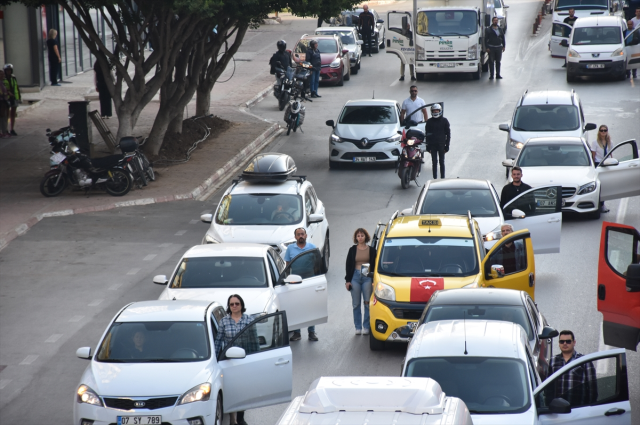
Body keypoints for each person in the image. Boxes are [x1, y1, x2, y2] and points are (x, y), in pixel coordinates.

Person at [214, 294, 259, 425]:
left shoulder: (248, 320)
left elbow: (254, 340)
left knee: (242, 389)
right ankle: (233, 418)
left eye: (236, 304)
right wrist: (216, 360)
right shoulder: (224, 321)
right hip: (229, 361)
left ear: (241, 305)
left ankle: (240, 417)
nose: (234, 306)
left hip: (244, 360)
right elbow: (218, 341)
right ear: (229, 306)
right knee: (232, 389)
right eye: (231, 304)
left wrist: (256, 358)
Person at [285, 228, 319, 341]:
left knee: (311, 307)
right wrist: (286, 281)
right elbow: (287, 266)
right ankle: (297, 333)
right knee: (296, 307)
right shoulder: (290, 248)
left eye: (302, 234)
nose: (301, 236)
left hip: (310, 281)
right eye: (298, 234)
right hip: (295, 282)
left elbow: (317, 265)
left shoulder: (312, 248)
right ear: (295, 237)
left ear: (306, 235)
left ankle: (311, 332)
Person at [547, 330, 598, 406]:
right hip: (558, 409)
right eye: (562, 341)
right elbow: (549, 387)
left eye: (568, 341)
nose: (565, 344)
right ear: (559, 343)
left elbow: (592, 387)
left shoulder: (584, 360)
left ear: (574, 343)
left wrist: (589, 407)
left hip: (578, 408)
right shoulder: (553, 361)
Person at [345, 228, 377, 335]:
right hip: (355, 276)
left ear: (366, 237)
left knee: (367, 303)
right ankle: (357, 327)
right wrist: (348, 281)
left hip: (367, 277)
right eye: (358, 236)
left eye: (362, 235)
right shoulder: (352, 250)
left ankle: (366, 326)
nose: (360, 238)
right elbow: (348, 265)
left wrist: (374, 280)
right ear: (356, 238)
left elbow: (375, 264)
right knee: (356, 304)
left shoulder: (372, 250)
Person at [590, 125, 613, 213]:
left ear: (607, 131)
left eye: (605, 130)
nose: (603, 132)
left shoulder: (610, 142)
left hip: (606, 164)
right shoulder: (595, 142)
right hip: (598, 164)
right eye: (601, 130)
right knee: (598, 186)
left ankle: (602, 204)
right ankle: (598, 204)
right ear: (599, 132)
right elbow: (593, 155)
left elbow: (611, 154)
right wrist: (593, 167)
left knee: (605, 185)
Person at [425, 104, 450, 179]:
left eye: (437, 110)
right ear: (431, 111)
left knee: (442, 162)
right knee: (434, 163)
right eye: (434, 110)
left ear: (440, 111)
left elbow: (448, 134)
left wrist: (447, 146)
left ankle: (442, 178)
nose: (435, 111)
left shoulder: (445, 121)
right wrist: (428, 146)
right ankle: (435, 179)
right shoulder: (429, 121)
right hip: (433, 145)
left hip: (441, 145)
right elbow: (427, 134)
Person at [3, 64, 20, 136]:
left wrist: (18, 96)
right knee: (6, 114)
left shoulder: (13, 77)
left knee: (13, 114)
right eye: (7, 70)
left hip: (14, 97)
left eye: (9, 70)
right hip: (7, 98)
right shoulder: (3, 79)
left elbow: (16, 87)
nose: (8, 72)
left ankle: (12, 129)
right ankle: (5, 129)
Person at [0, 69, 9, 138]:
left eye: (3, 74)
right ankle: (2, 132)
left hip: (4, 101)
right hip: (1, 101)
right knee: (2, 117)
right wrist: (6, 93)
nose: (3, 75)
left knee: (4, 117)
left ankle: (4, 131)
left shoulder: (2, 82)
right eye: (1, 74)